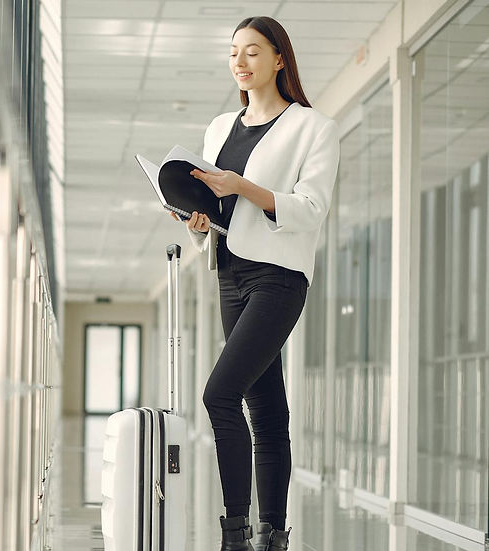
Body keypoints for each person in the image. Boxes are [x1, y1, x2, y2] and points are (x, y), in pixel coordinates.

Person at [169, 16, 340, 551]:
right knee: (265, 405)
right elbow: (224, 209)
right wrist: (198, 217)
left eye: (252, 52)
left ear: (279, 59)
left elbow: (310, 210)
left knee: (220, 394)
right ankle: (274, 534)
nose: (240, 63)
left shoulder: (314, 127)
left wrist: (242, 185)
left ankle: (235, 532)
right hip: (230, 271)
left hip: (279, 277)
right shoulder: (220, 127)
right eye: (233, 54)